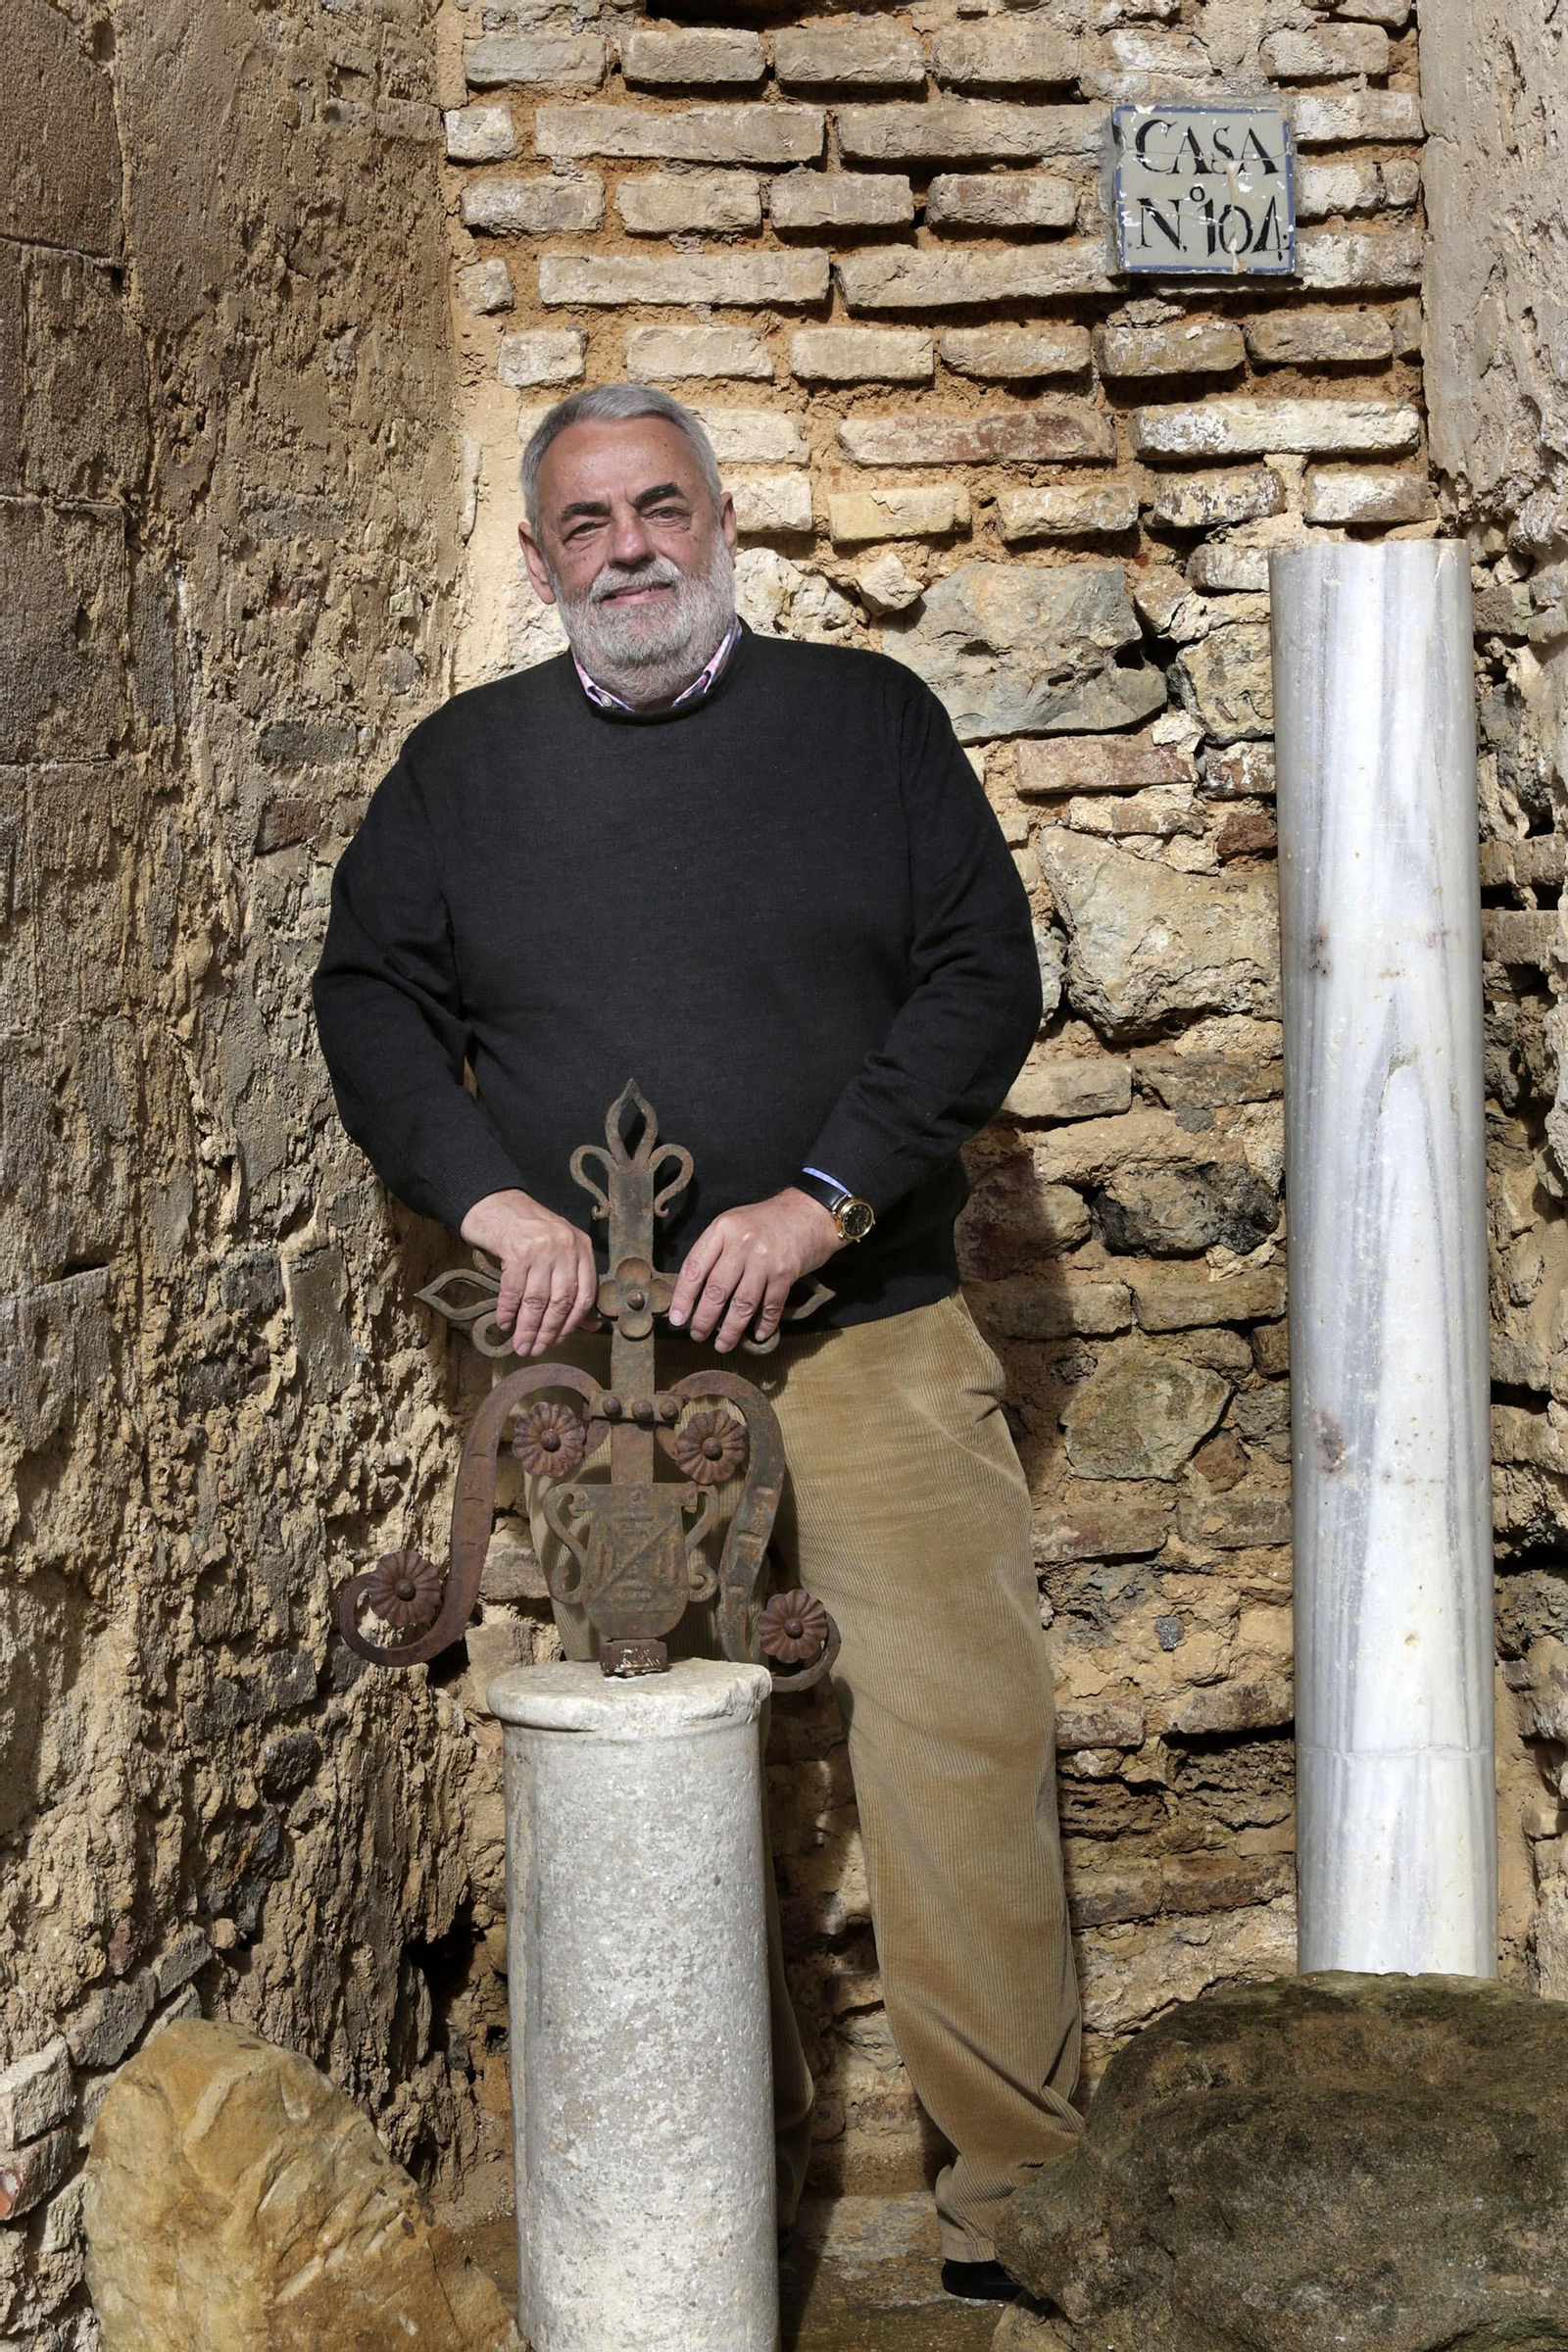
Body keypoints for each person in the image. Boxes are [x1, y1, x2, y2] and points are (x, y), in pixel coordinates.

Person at [312, 383, 1080, 2301]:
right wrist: (486, 1200)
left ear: (720, 525)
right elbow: (371, 995)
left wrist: (821, 1190)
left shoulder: (863, 726)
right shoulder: (460, 773)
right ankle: (685, 2229)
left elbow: (983, 966)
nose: (630, 547)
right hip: (616, 1381)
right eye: (588, 523)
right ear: (536, 559)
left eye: (662, 508)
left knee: (957, 1750)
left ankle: (1019, 2215)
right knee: (658, 1786)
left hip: (873, 1323)